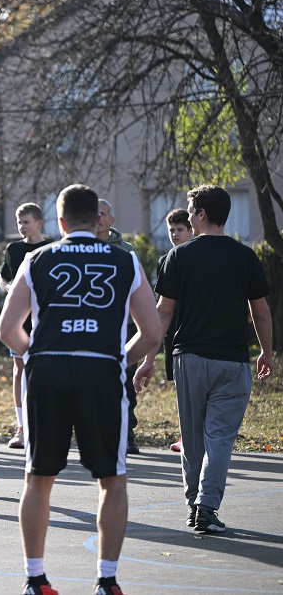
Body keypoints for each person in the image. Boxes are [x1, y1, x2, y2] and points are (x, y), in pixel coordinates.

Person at [0, 183, 161, 595]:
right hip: (101, 373)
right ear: (98, 218)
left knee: (38, 476)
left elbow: (6, 330)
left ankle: (36, 578)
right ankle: (107, 580)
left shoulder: (36, 258)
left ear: (61, 221)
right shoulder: (125, 260)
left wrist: (36, 355)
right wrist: (118, 356)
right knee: (113, 478)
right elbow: (152, 332)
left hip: (49, 371)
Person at [135, 185, 273, 534]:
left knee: (193, 438)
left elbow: (163, 313)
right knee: (220, 437)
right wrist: (267, 353)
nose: (189, 217)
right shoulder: (245, 257)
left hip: (189, 359)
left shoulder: (177, 258)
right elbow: (261, 312)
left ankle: (193, 504)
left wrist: (148, 357)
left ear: (201, 214)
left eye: (190, 210)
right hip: (232, 361)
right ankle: (206, 507)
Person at [0, 203, 50, 450]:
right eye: (19, 222)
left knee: (43, 370)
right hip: (21, 318)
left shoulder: (51, 249)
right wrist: (10, 290)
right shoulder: (14, 249)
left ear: (39, 223)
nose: (22, 227)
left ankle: (43, 423)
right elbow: (3, 276)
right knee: (20, 368)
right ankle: (21, 427)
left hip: (46, 318)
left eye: (26, 222)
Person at [97, 198, 141, 455]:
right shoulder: (82, 248)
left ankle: (127, 433)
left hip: (123, 326)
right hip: (92, 327)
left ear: (111, 220)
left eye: (102, 214)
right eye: (94, 215)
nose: (98, 219)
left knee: (123, 382)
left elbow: (137, 289)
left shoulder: (127, 250)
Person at [158, 208, 192, 453]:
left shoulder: (196, 257)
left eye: (180, 230)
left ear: (191, 230)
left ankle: (193, 435)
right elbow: (163, 305)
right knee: (181, 390)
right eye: (171, 230)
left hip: (194, 329)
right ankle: (185, 435)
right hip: (173, 332)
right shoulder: (165, 260)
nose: (175, 234)